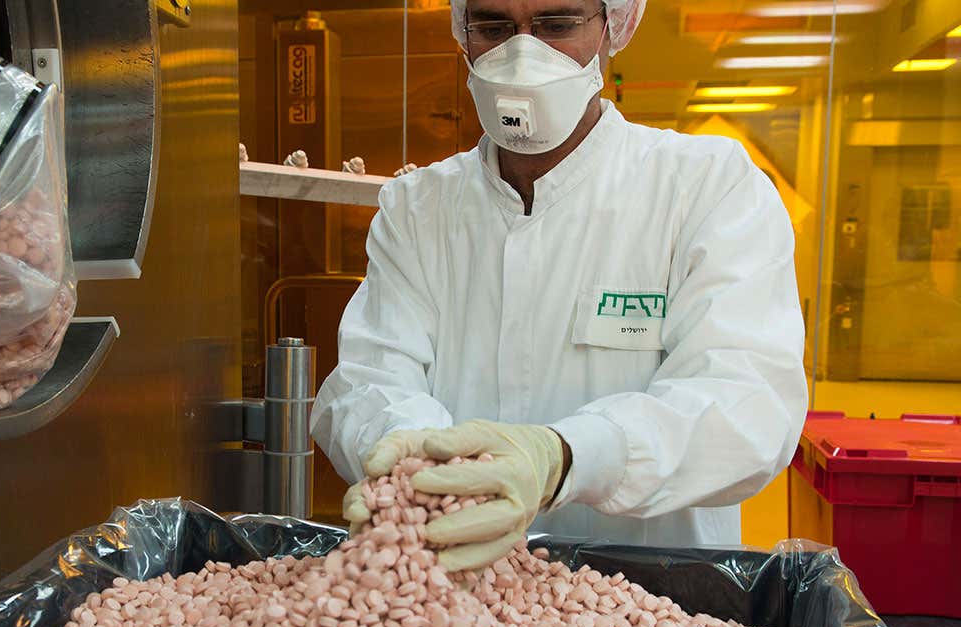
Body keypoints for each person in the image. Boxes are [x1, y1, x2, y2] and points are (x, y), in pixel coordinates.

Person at [309, 0, 808, 572]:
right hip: (454, 594)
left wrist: (565, 458)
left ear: (615, 26)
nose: (523, 52)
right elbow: (373, 377)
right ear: (461, 35)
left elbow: (747, 403)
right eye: (494, 27)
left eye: (558, 24)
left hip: (655, 606)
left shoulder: (706, 188)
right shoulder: (419, 208)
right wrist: (424, 462)